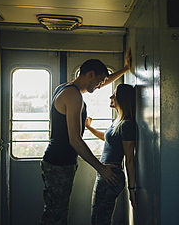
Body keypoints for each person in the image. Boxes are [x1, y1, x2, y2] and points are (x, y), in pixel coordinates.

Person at [40, 48, 132, 225]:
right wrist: (101, 168)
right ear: (90, 75)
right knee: (55, 215)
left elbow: (97, 84)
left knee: (56, 211)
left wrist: (125, 69)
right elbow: (74, 140)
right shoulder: (73, 96)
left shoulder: (66, 88)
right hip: (59, 163)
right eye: (99, 81)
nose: (100, 86)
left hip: (59, 162)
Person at [85, 83, 137, 225]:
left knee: (101, 219)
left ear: (123, 99)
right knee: (97, 217)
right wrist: (89, 128)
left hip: (111, 176)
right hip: (105, 174)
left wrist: (131, 189)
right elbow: (108, 138)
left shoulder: (127, 125)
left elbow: (130, 159)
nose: (111, 96)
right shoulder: (118, 122)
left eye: (115, 94)